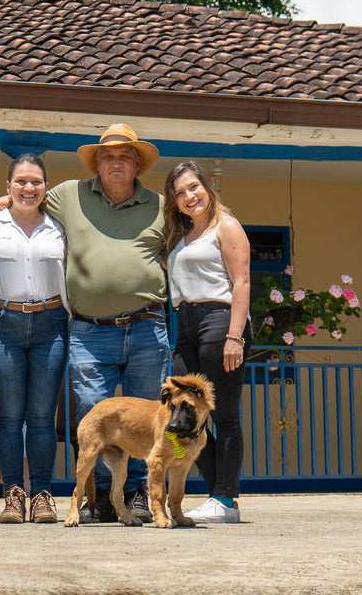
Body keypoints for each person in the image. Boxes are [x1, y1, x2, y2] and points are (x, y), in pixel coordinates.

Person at [0, 124, 169, 523]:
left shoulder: (158, 205)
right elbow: (18, 200)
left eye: (125, 156)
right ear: (97, 163)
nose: (116, 162)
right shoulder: (68, 195)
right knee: (85, 416)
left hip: (136, 326)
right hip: (80, 329)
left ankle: (137, 493)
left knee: (144, 416)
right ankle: (97, 495)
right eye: (108, 156)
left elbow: (188, 241)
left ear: (138, 163)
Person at [0, 154, 68, 524]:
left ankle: (43, 495)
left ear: (46, 187)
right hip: (2, 322)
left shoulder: (59, 225)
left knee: (44, 417)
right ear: (8, 186)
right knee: (9, 417)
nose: (29, 188)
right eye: (21, 182)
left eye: (36, 182)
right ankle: (13, 494)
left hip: (51, 321)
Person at [163, 160, 251, 524]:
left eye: (193, 187)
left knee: (224, 415)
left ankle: (226, 499)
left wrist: (235, 336)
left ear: (207, 187)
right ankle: (219, 495)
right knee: (181, 417)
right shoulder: (180, 237)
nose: (189, 196)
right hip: (184, 325)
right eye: (180, 193)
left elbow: (242, 281)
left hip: (219, 320)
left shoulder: (226, 227)